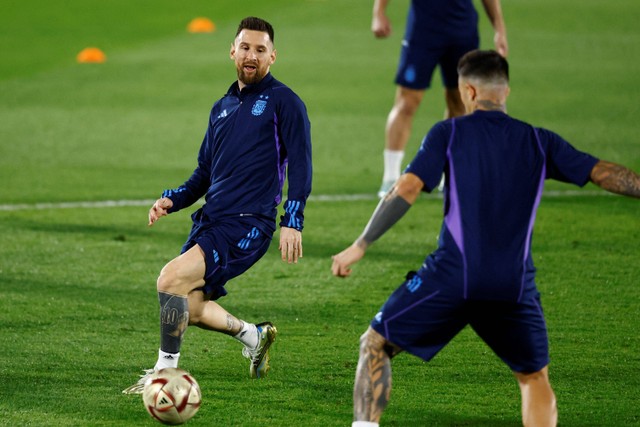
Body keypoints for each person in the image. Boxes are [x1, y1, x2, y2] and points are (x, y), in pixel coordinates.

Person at [332, 50, 640, 426]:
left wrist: (360, 245)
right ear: (506, 91)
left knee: (375, 343)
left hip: (450, 278)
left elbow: (407, 188)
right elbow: (602, 172)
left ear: (469, 91)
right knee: (533, 377)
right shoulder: (538, 140)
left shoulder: (449, 132)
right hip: (511, 286)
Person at [123, 16, 312, 394]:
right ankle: (254, 337)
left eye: (260, 50)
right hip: (212, 221)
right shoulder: (221, 108)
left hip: (249, 224)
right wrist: (172, 199)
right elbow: (204, 173)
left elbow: (303, 162)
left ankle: (164, 374)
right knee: (187, 309)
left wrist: (293, 218)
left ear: (273, 56)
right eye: (245, 47)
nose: (252, 56)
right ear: (232, 51)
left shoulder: (284, 102)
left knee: (169, 279)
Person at [373, 0, 508, 197]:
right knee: (407, 101)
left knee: (460, 102)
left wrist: (499, 29)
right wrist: (379, 12)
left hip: (463, 31)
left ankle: (449, 173)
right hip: (423, 30)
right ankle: (390, 178)